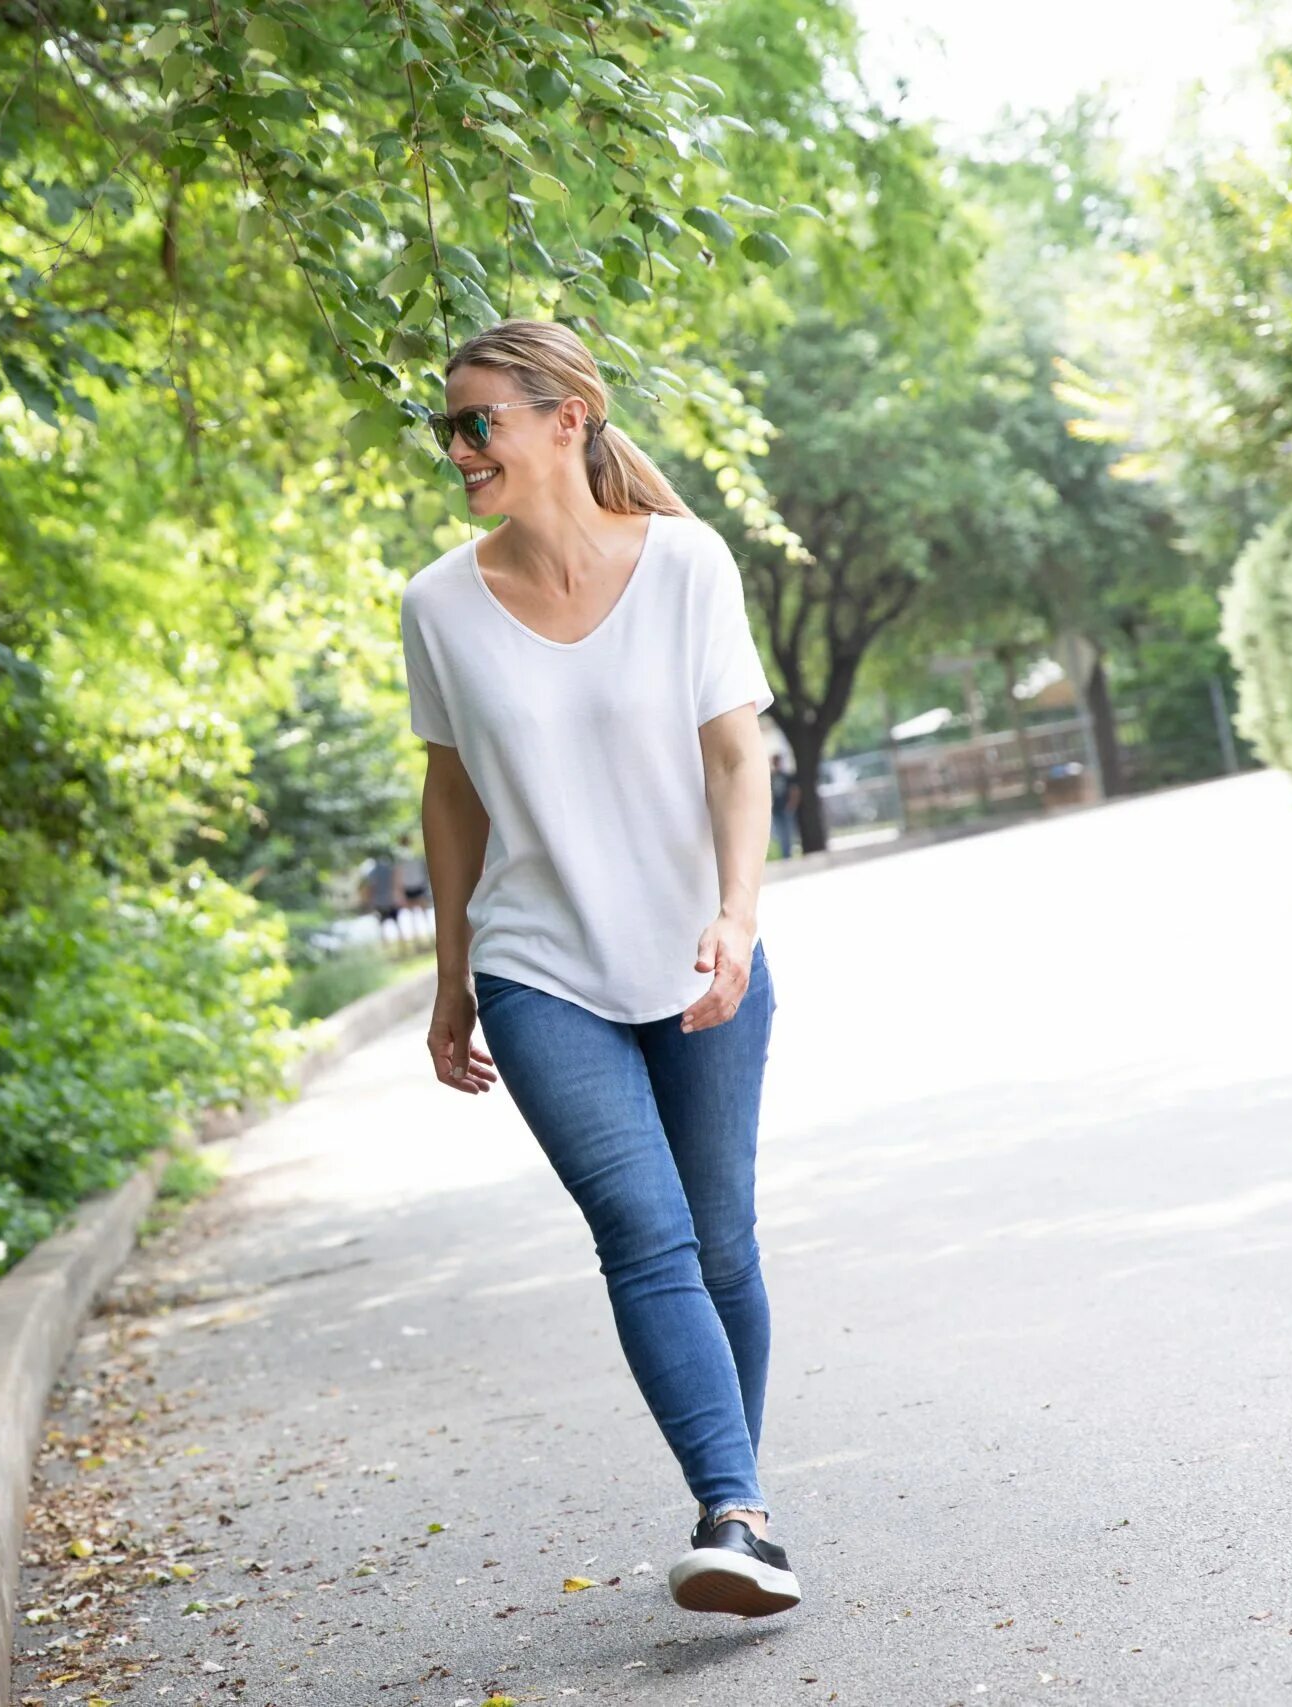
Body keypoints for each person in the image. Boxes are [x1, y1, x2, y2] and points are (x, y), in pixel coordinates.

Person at [401, 321, 797, 1618]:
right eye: (446, 428)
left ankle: (740, 1499)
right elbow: (450, 797)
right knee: (645, 1232)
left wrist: (738, 915)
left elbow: (738, 758)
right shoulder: (438, 604)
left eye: (480, 423)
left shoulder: (685, 562)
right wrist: (455, 977)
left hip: (700, 955)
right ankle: (733, 1508)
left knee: (723, 1245)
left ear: (567, 415)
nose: (459, 448)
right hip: (541, 969)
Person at [361, 844, 406, 947]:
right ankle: (403, 947)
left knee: (382, 926)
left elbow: (370, 887)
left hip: (379, 902)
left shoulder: (372, 871)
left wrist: (369, 902)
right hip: (391, 899)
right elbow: (397, 883)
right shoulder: (389, 868)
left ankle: (386, 947)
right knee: (397, 923)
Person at [769, 753, 800, 860]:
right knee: (780, 834)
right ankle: (785, 854)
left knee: (788, 832)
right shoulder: (771, 777)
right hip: (776, 809)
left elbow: (794, 791)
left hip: (785, 808)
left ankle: (788, 854)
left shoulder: (786, 776)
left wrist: (791, 805)